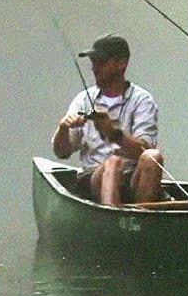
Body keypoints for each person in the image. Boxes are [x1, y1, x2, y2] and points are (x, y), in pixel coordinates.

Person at [52, 33, 164, 206]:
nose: (95, 68)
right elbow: (62, 152)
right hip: (92, 175)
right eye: (93, 63)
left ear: (122, 64)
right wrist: (63, 129)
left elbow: (144, 150)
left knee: (153, 156)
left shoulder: (142, 100)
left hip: (132, 176)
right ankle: (112, 217)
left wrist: (112, 133)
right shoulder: (83, 99)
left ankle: (143, 218)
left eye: (101, 62)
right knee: (113, 163)